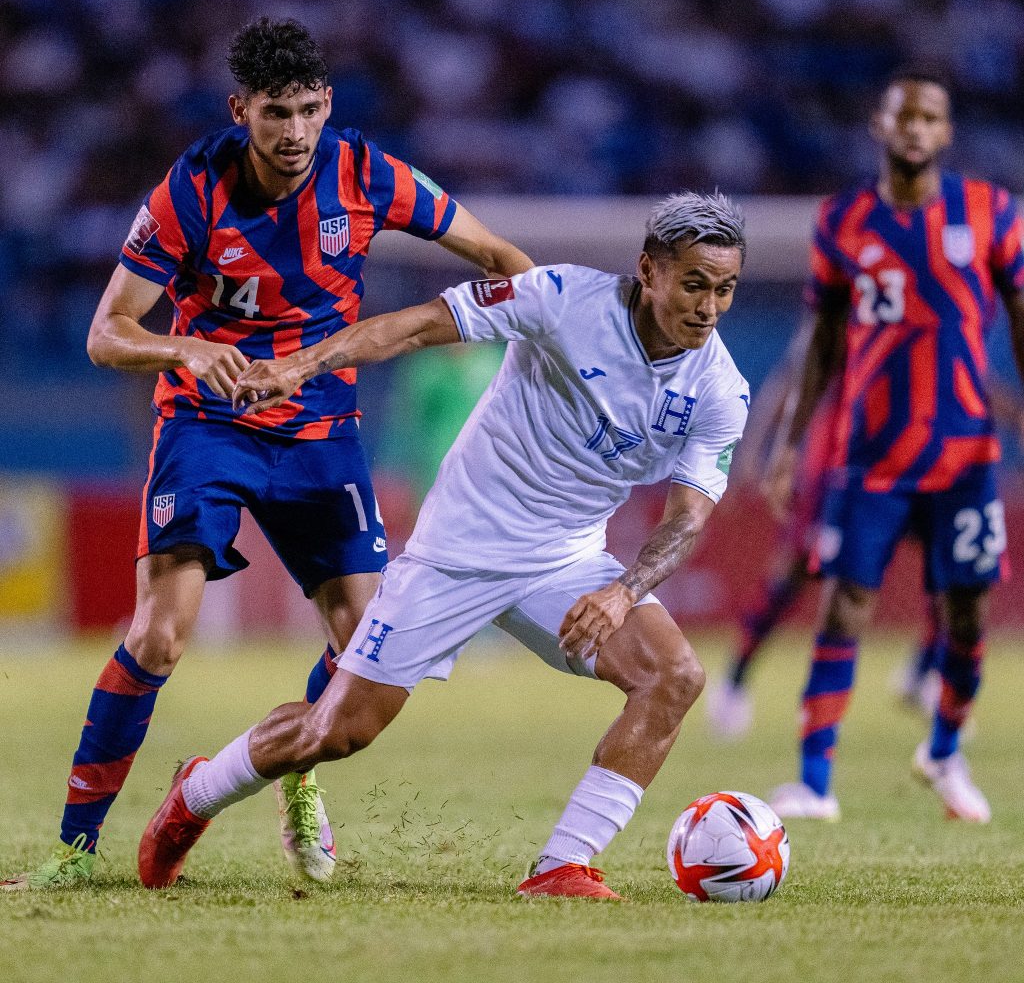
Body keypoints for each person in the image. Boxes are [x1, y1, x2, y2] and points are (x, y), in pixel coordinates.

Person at [0, 17, 531, 891]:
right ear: (241, 109)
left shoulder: (369, 174)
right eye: (276, 113)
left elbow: (501, 258)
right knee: (159, 636)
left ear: (328, 108)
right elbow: (107, 332)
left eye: (310, 111)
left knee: (366, 648)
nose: (294, 133)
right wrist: (190, 350)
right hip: (208, 427)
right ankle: (72, 852)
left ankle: (292, 773)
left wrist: (529, 337)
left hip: (322, 427)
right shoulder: (190, 191)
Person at [135, 191, 751, 900]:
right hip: (456, 552)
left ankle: (561, 867)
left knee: (674, 677)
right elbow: (421, 326)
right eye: (694, 284)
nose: (708, 307)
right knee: (336, 734)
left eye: (725, 290)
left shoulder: (718, 389)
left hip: (566, 563)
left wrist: (622, 591)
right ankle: (194, 796)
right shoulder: (560, 298)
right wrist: (299, 368)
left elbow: (688, 518)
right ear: (650, 271)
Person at [765, 69, 1024, 823]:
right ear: (879, 126)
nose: (915, 126)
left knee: (968, 613)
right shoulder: (842, 221)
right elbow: (822, 343)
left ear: (946, 132)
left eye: (931, 116)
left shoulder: (992, 213)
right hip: (872, 453)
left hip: (966, 452)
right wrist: (788, 443)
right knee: (844, 605)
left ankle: (944, 751)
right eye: (902, 114)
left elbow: (1018, 313)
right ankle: (815, 781)